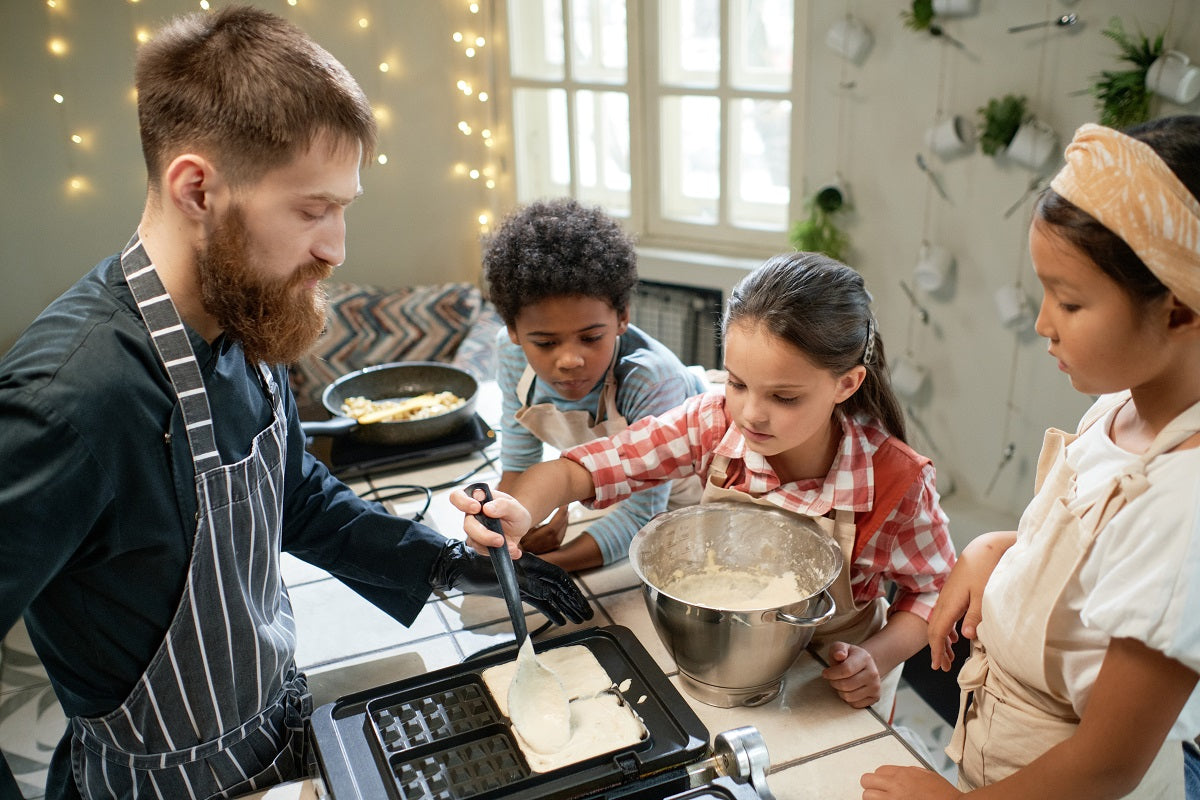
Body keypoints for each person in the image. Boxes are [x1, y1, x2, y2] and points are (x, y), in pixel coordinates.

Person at [0, 8, 591, 799]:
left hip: (279, 738)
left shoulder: (244, 315)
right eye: (311, 210)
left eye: (342, 207)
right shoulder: (68, 401)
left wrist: (450, 563)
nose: (336, 247)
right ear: (197, 188)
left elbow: (294, 498)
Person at [454, 252, 957, 715]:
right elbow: (579, 470)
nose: (751, 414)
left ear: (846, 384)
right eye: (737, 383)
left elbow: (935, 590)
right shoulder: (711, 424)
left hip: (829, 677)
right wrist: (517, 510)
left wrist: (875, 657)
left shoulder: (896, 481)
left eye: (784, 397)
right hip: (722, 654)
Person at [861, 117, 1200, 799]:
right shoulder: (1121, 410)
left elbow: (1108, 763)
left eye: (1070, 302)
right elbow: (1094, 565)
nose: (1043, 323)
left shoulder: (1186, 505)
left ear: (1179, 311)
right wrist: (995, 547)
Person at [483, 197, 706, 572]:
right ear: (514, 332)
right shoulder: (510, 355)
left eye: (590, 338)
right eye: (546, 343)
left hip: (687, 498)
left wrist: (543, 569)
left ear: (622, 318)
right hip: (613, 490)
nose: (569, 360)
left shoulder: (651, 379)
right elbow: (519, 464)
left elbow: (644, 516)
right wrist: (505, 534)